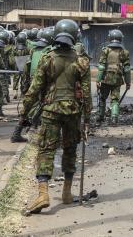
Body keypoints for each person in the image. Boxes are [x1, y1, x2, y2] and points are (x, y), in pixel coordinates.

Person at [21, 19, 91, 215]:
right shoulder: (82, 61)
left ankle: (43, 194)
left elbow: (34, 89)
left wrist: (24, 113)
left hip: (50, 111)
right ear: (75, 37)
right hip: (73, 113)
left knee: (46, 150)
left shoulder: (47, 58)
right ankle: (67, 193)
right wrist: (87, 119)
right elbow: (86, 94)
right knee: (70, 150)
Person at [10, 28, 54, 143]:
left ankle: (18, 131)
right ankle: (33, 129)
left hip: (32, 80)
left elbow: (26, 67)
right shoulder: (49, 51)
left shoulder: (34, 50)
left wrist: (25, 82)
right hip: (43, 81)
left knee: (30, 105)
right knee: (42, 105)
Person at [96, 29, 131, 125]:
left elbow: (102, 66)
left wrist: (98, 79)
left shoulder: (105, 50)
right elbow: (127, 69)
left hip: (105, 79)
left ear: (110, 38)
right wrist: (128, 82)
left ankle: (100, 117)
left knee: (102, 97)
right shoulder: (125, 52)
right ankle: (114, 118)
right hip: (117, 79)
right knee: (115, 99)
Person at [0, 30, 13, 107]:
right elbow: (11, 61)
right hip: (2, 70)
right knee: (4, 85)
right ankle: (4, 99)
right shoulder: (7, 48)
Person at [11, 32, 30, 98]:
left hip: (17, 64)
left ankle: (15, 92)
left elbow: (12, 59)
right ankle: (22, 92)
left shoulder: (14, 49)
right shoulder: (27, 49)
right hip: (24, 65)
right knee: (23, 79)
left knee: (16, 78)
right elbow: (28, 57)